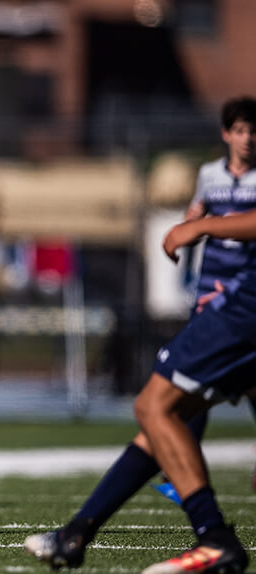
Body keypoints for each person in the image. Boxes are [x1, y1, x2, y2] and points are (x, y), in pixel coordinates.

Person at [24, 207, 256, 572]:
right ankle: (77, 533)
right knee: (164, 418)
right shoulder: (213, 178)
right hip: (229, 305)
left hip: (241, 309)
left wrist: (201, 226)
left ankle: (215, 538)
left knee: (156, 407)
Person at [153, 97, 256, 505]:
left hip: (246, 293)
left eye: (254, 131)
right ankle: (181, 471)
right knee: (190, 381)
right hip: (210, 290)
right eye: (242, 130)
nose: (249, 139)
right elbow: (196, 221)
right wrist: (189, 272)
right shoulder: (209, 175)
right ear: (227, 134)